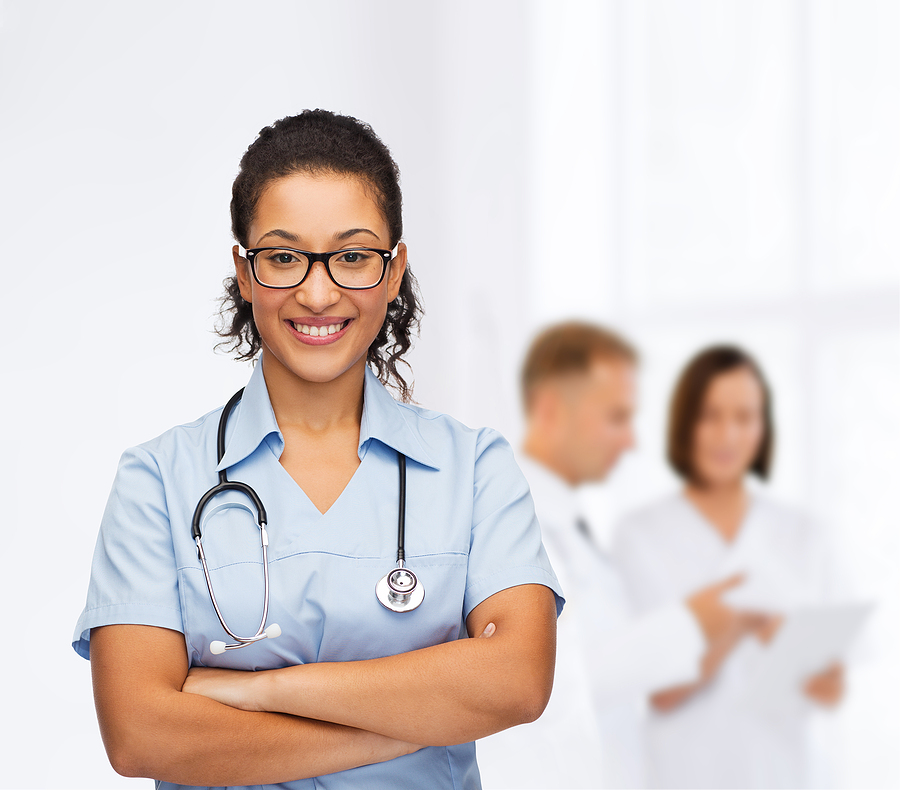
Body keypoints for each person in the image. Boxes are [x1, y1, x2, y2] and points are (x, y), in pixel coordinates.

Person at [72, 110, 563, 790]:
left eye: (354, 256)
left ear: (395, 274)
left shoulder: (474, 469)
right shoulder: (157, 480)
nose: (318, 291)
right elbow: (140, 733)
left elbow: (516, 682)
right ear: (244, 274)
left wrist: (253, 691)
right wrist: (412, 720)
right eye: (283, 256)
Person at [477, 323, 752, 789]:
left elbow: (607, 669)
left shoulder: (571, 522)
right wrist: (690, 626)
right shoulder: (512, 522)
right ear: (550, 411)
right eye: (616, 418)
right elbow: (540, 682)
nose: (631, 441)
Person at [613, 345, 846, 789]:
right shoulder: (639, 535)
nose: (728, 435)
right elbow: (659, 692)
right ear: (685, 423)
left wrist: (784, 644)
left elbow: (831, 690)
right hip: (683, 774)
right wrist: (739, 622)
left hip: (785, 772)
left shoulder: (804, 533)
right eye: (710, 416)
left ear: (764, 427)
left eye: (745, 417)